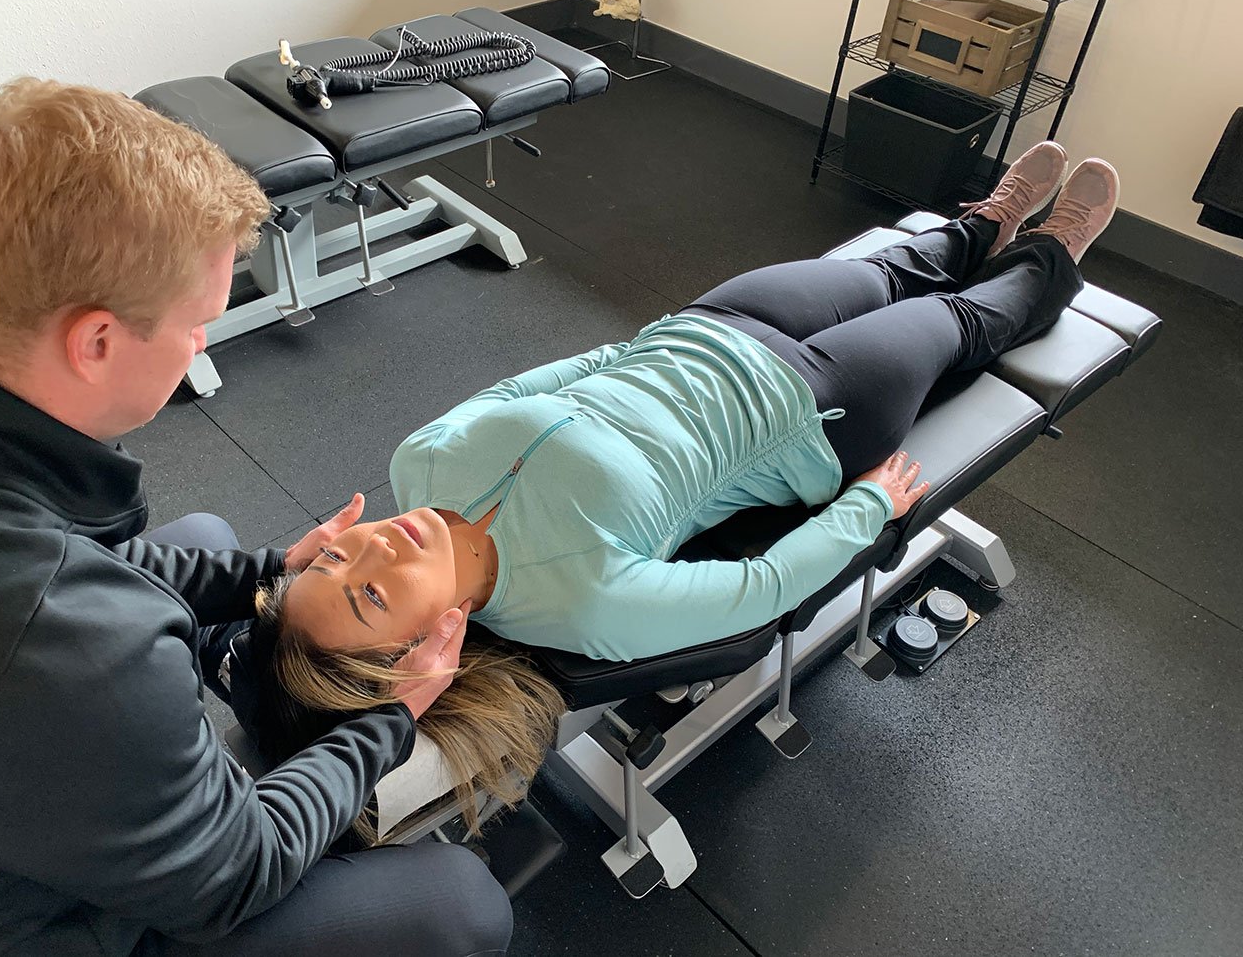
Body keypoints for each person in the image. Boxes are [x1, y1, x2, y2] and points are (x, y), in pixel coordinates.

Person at [0, 79, 513, 957]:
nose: (202, 341)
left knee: (204, 540)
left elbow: (76, 570)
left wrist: (273, 572)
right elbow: (237, 874)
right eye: (197, 322)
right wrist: (388, 723)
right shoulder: (74, 653)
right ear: (97, 343)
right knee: (458, 905)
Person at [247, 143, 1117, 813]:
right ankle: (1053, 254)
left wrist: (640, 345)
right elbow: (759, 587)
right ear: (427, 646)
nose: (370, 552)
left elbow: (525, 386)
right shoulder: (581, 602)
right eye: (370, 596)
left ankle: (986, 224)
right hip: (817, 415)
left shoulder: (419, 460)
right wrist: (866, 509)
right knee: (954, 319)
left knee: (893, 268)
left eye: (332, 563)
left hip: (714, 326)